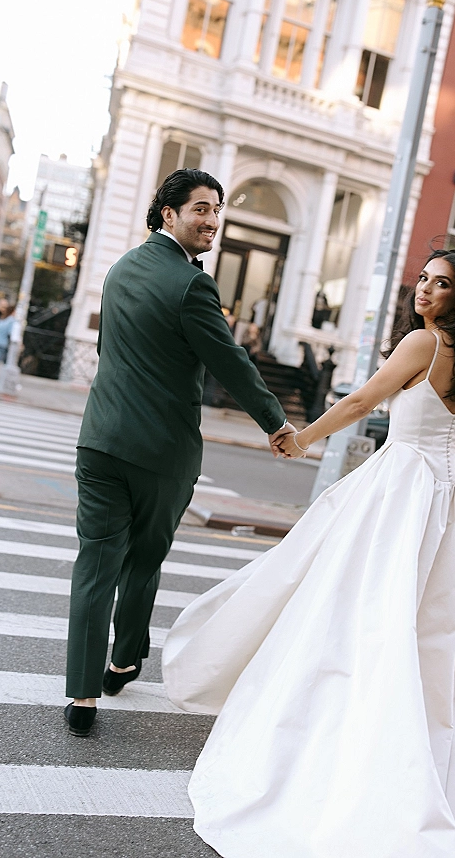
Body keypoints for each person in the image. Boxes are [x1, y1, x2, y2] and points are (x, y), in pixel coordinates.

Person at [162, 249, 455, 858]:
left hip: (400, 491)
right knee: (419, 623)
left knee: (354, 605)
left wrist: (303, 437)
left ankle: (347, 729)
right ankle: (402, 737)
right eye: (422, 279)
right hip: (441, 496)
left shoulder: (425, 344)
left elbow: (363, 402)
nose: (423, 290)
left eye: (439, 284)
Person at [64, 168, 295, 737]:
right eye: (200, 209)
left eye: (217, 210)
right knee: (142, 561)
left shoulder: (119, 270)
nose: (212, 220)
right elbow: (230, 363)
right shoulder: (192, 285)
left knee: (95, 563)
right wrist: (275, 420)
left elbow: (108, 349)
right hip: (160, 452)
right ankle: (123, 660)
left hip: (99, 439)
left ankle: (83, 696)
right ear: (167, 213)